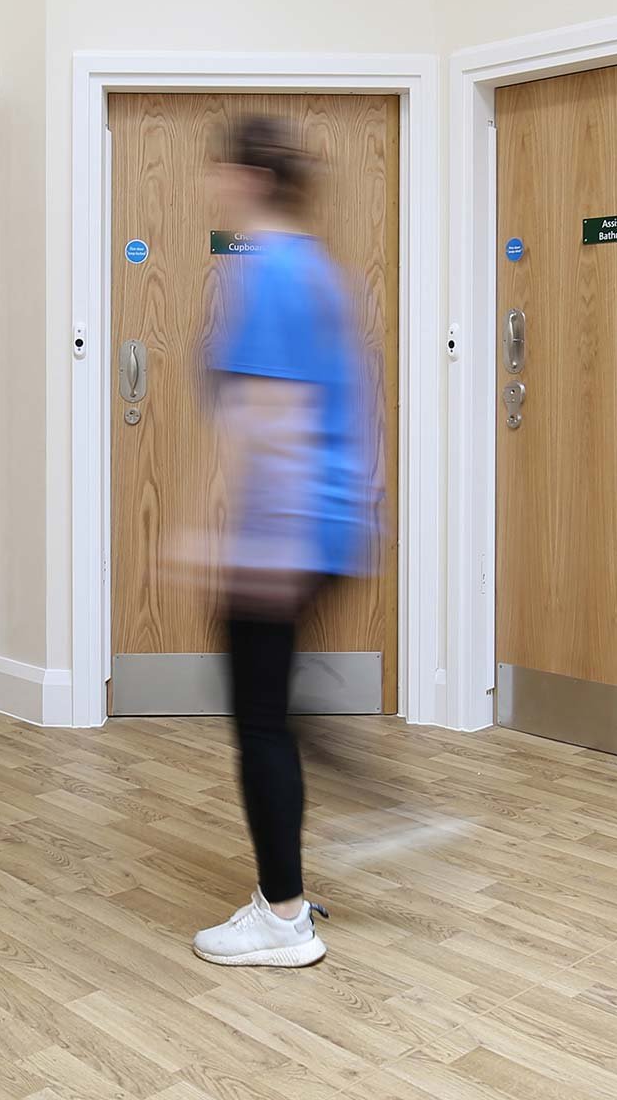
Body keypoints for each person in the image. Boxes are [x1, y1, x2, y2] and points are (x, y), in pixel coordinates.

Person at [186, 115, 376, 968]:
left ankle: (283, 915)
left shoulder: (266, 275)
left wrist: (209, 534)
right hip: (335, 527)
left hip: (286, 531)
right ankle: (288, 882)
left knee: (260, 722)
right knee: (278, 713)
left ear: (248, 177)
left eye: (220, 169)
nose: (212, 184)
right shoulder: (322, 272)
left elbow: (270, 417)